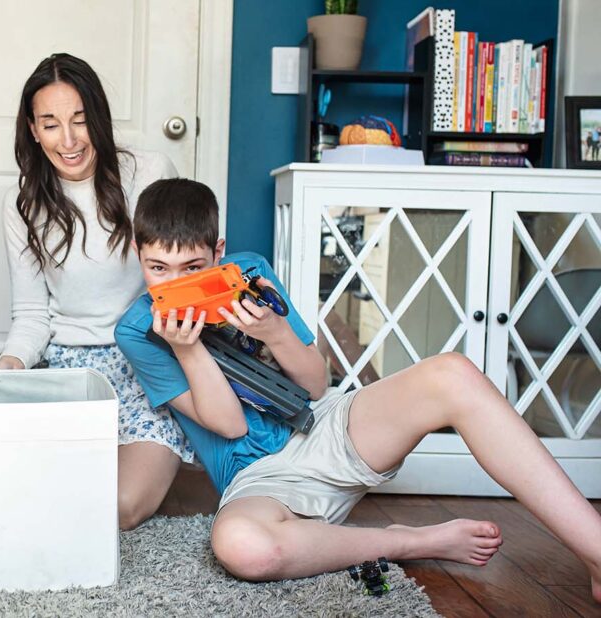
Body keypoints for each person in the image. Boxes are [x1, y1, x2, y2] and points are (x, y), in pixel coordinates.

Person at [115, 178, 601, 602]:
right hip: (259, 479)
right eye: (158, 269)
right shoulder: (137, 331)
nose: (174, 285)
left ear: (218, 252)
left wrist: (275, 333)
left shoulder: (250, 273)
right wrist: (187, 349)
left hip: (324, 426)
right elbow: (229, 425)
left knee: (452, 373)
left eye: (192, 268)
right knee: (241, 545)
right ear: (138, 254)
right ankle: (406, 542)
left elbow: (314, 385)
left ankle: (596, 551)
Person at [0, 52, 186, 530]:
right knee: (16, 490)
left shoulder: (151, 171)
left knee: (119, 506)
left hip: (147, 364)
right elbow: (32, 314)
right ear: (33, 130)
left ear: (99, 117)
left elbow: (183, 278)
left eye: (80, 120)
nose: (69, 140)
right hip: (70, 372)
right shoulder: (22, 203)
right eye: (51, 124)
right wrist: (8, 368)